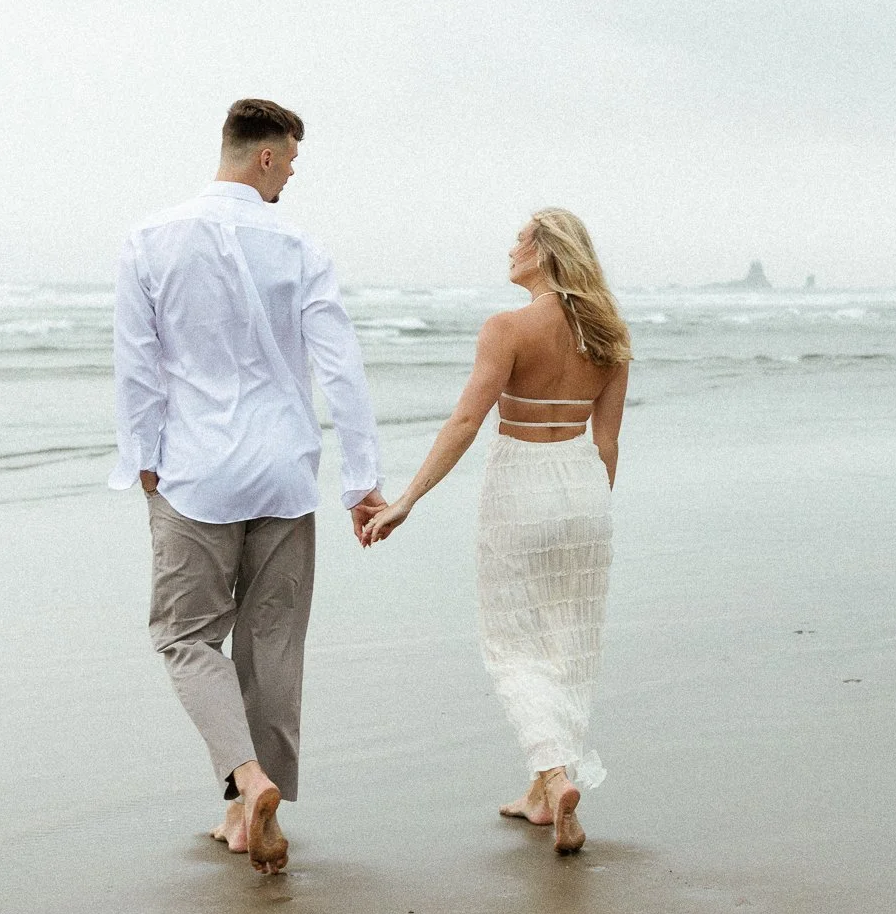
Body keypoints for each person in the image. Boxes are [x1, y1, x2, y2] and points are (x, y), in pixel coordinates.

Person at [110, 98, 386, 874]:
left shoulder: (148, 239)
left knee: (187, 636)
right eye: (291, 161)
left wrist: (142, 461)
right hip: (285, 470)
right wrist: (360, 479)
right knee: (271, 644)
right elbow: (341, 367)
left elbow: (137, 365)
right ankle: (245, 812)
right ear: (265, 156)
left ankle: (246, 781)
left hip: (194, 469)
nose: (292, 175)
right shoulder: (300, 244)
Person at [363, 209, 629, 856]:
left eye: (520, 239)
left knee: (513, 643)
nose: (510, 248)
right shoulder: (610, 331)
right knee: (568, 641)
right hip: (584, 487)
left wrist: (407, 499)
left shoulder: (507, 328)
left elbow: (464, 423)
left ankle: (556, 774)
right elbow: (609, 442)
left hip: (521, 486)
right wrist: (588, 506)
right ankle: (543, 791)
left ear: (544, 251)